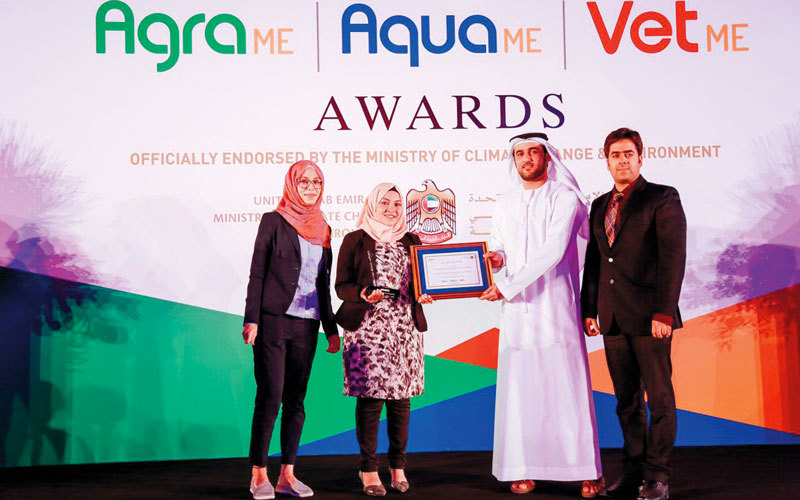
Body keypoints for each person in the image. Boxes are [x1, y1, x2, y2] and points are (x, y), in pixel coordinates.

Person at [479, 132, 604, 497]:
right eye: (519, 153)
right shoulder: (504, 202)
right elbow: (499, 247)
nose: (526, 158)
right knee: (522, 390)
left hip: (555, 306)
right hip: (518, 313)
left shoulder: (564, 197)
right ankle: (524, 468)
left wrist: (506, 286)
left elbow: (553, 250)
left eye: (533, 151)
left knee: (566, 387)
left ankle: (586, 469)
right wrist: (496, 260)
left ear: (547, 157)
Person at [581, 128, 686, 500]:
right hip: (611, 319)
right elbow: (595, 261)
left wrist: (664, 313)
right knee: (626, 403)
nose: (622, 160)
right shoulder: (599, 205)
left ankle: (657, 477)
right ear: (606, 161)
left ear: (641, 158)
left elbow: (673, 258)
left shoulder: (662, 197)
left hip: (650, 319)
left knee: (659, 400)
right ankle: (633, 473)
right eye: (615, 154)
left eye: (628, 154)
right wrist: (589, 309)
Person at [242, 160, 341, 500]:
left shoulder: (324, 227)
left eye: (317, 182)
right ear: (292, 184)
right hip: (273, 320)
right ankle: (259, 474)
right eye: (304, 182)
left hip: (307, 324)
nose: (311, 187)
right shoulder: (273, 221)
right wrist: (251, 319)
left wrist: (331, 329)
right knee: (271, 395)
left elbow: (323, 283)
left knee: (296, 400)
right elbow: (257, 272)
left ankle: (287, 475)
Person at [334, 182, 434, 497]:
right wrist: (364, 293)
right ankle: (368, 469)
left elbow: (422, 281)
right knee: (371, 399)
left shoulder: (411, 240)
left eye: (397, 204)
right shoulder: (355, 239)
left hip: (404, 328)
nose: (391, 209)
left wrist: (426, 292)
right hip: (368, 329)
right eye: (385, 203)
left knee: (401, 400)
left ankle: (398, 467)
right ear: (372, 205)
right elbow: (341, 286)